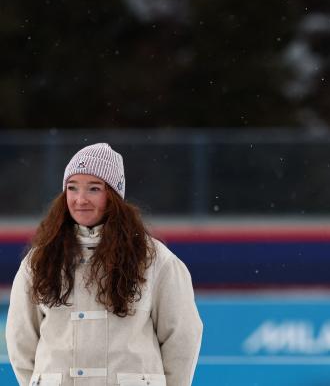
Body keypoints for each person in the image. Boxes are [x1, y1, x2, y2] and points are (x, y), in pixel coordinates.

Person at [6, 143, 203, 386]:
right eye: (72, 188)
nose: (80, 199)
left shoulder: (156, 260)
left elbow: (182, 338)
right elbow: (20, 341)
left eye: (94, 188)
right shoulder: (39, 261)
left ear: (113, 195)